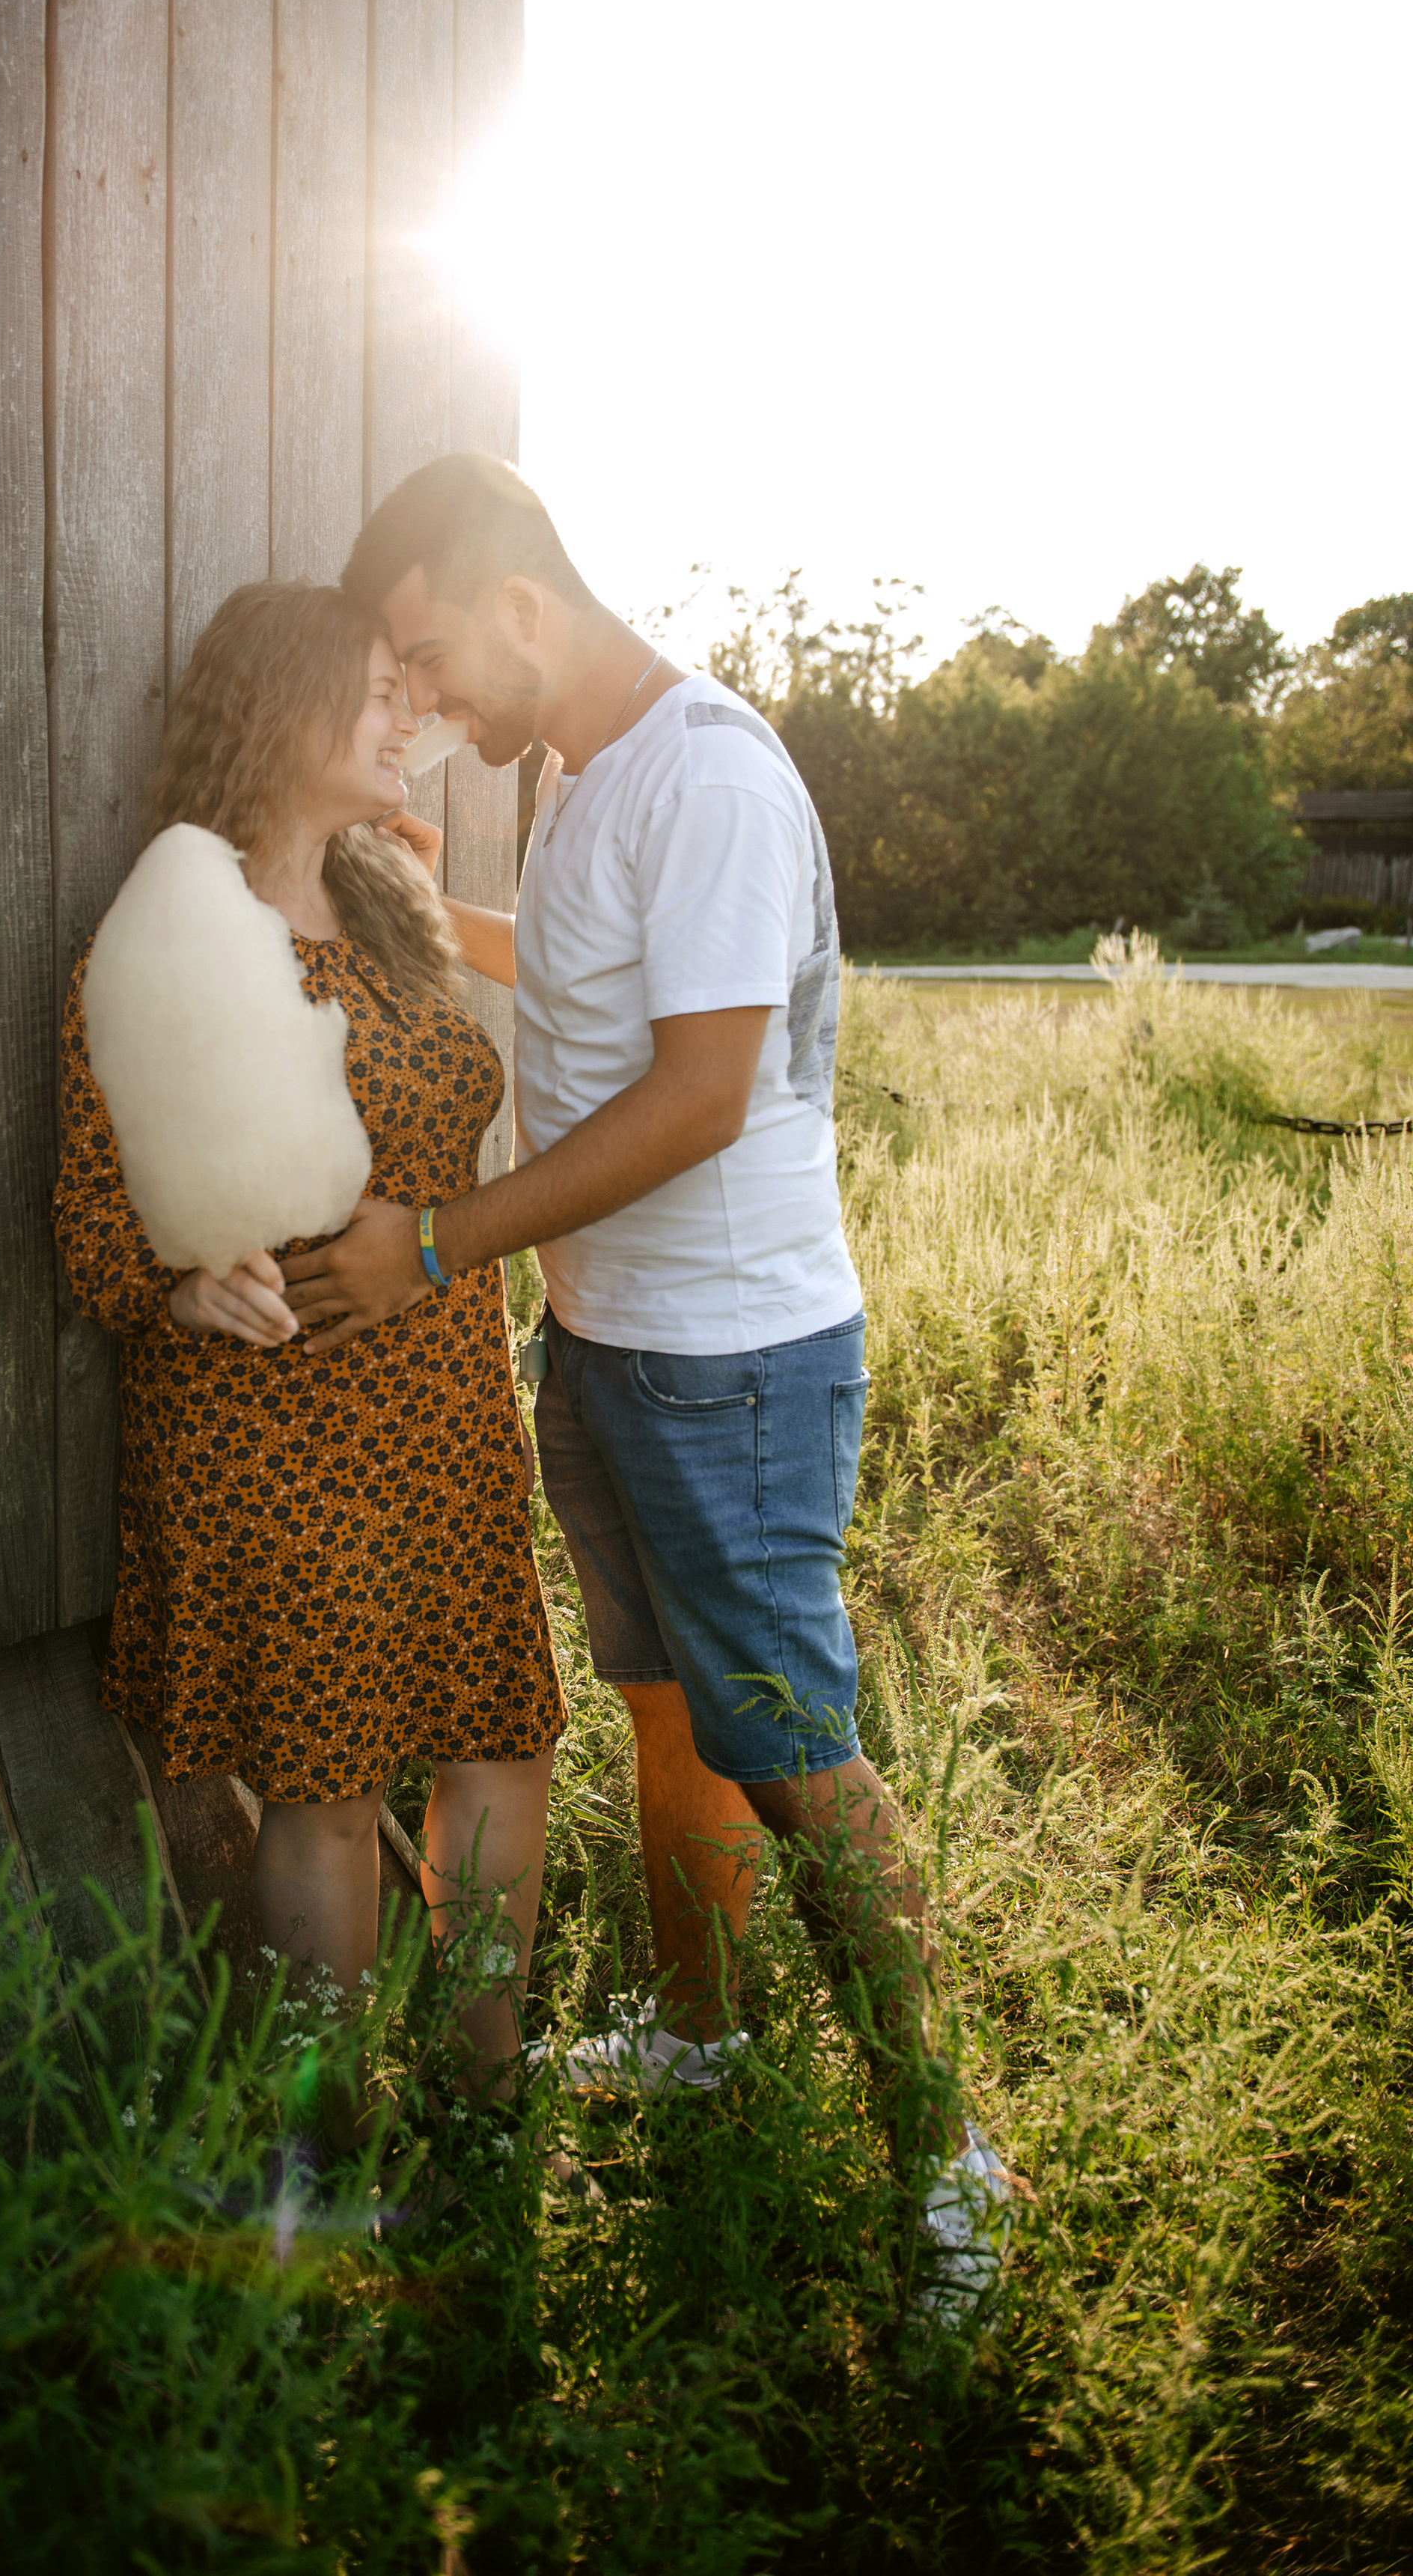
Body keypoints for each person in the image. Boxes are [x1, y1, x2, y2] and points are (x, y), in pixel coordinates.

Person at [281, 457, 1016, 2311]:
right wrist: (427, 921)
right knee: (664, 1709)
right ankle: (702, 2036)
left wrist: (436, 1243)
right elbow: (599, 984)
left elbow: (697, 1095)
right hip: (612, 1342)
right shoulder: (588, 777)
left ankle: (946, 2154)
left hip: (732, 1363)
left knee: (788, 1747)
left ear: (516, 597)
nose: (432, 705)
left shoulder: (707, 771)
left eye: (437, 657)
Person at [52, 579, 564, 2121]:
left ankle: (475, 2109)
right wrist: (175, 1290)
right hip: (276, 1434)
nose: (410, 711)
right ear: (280, 711)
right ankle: (327, 2144)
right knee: (328, 1795)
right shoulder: (167, 942)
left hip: (448, 1403)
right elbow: (89, 1223)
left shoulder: (397, 904)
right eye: (377, 689)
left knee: (504, 1751)